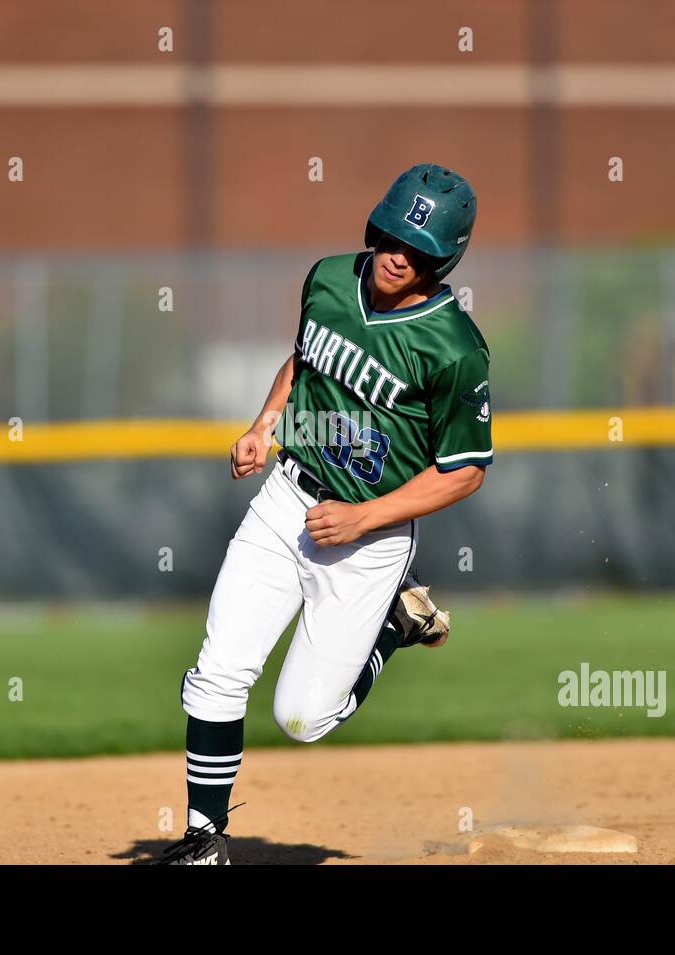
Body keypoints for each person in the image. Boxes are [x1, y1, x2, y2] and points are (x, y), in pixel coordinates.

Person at [164, 164, 491, 865]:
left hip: (367, 541)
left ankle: (397, 626)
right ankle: (203, 839)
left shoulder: (455, 346)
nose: (399, 253)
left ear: (444, 258)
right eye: (392, 234)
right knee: (219, 668)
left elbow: (465, 470)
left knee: (302, 717)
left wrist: (366, 517)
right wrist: (265, 424)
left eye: (419, 247)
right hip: (286, 498)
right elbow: (303, 360)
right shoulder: (329, 279)